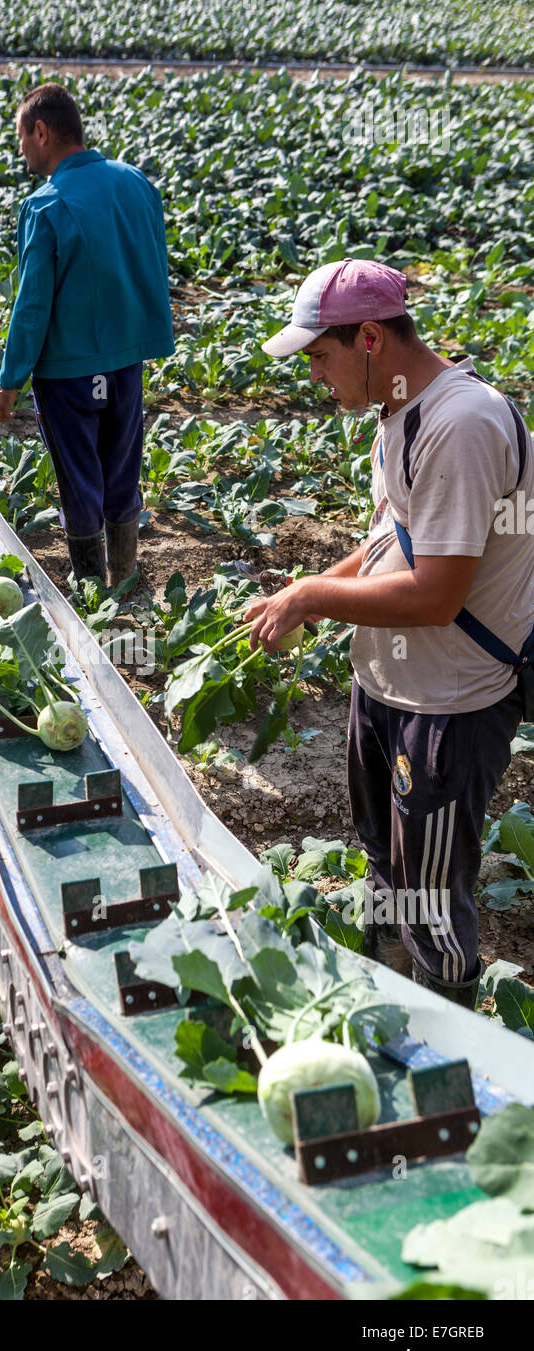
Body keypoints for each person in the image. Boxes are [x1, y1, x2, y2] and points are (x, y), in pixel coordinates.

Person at [247, 257, 534, 1008]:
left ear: (369, 337)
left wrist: (314, 591)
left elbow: (438, 594)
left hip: (447, 701)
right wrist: (312, 597)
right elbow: (390, 542)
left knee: (431, 893)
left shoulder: (461, 426)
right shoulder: (400, 411)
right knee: (384, 862)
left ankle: (448, 1045)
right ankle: (388, 1002)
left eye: (318, 355)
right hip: (386, 684)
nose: (314, 375)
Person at [0, 83, 174, 588]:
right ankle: (126, 579)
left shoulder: (46, 205)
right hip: (126, 361)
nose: (20, 149)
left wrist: (11, 379)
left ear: (41, 131)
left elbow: (32, 304)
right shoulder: (137, 183)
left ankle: (92, 588)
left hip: (69, 370)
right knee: (121, 468)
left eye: (22, 137)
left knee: (80, 478)